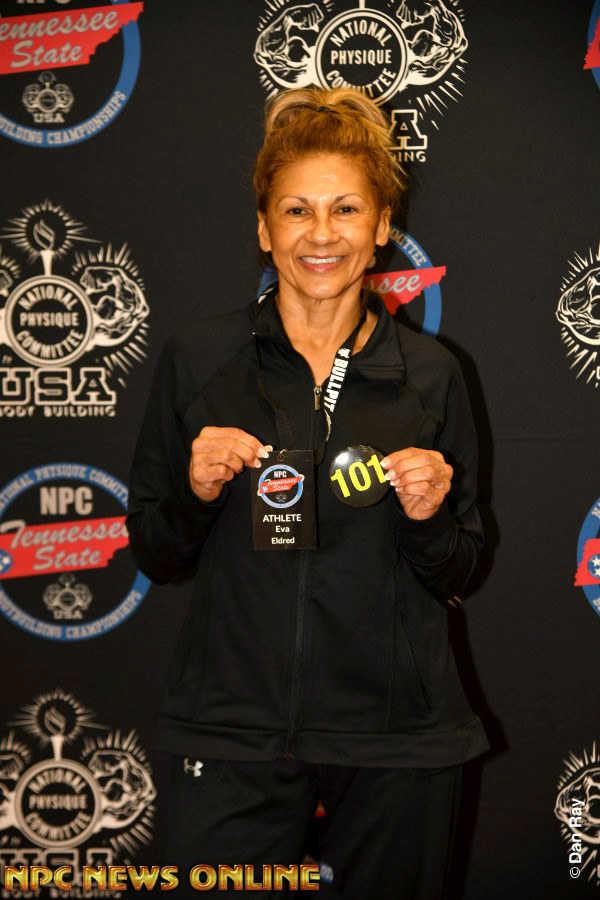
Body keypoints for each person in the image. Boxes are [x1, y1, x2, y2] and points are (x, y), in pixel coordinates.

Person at [126, 85, 489, 898]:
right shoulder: (199, 360)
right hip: (231, 734)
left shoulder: (433, 375)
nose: (321, 234)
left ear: (382, 226)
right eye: (296, 211)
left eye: (345, 210)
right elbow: (156, 550)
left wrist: (429, 516)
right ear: (264, 228)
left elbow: (462, 568)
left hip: (397, 741)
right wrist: (194, 491)